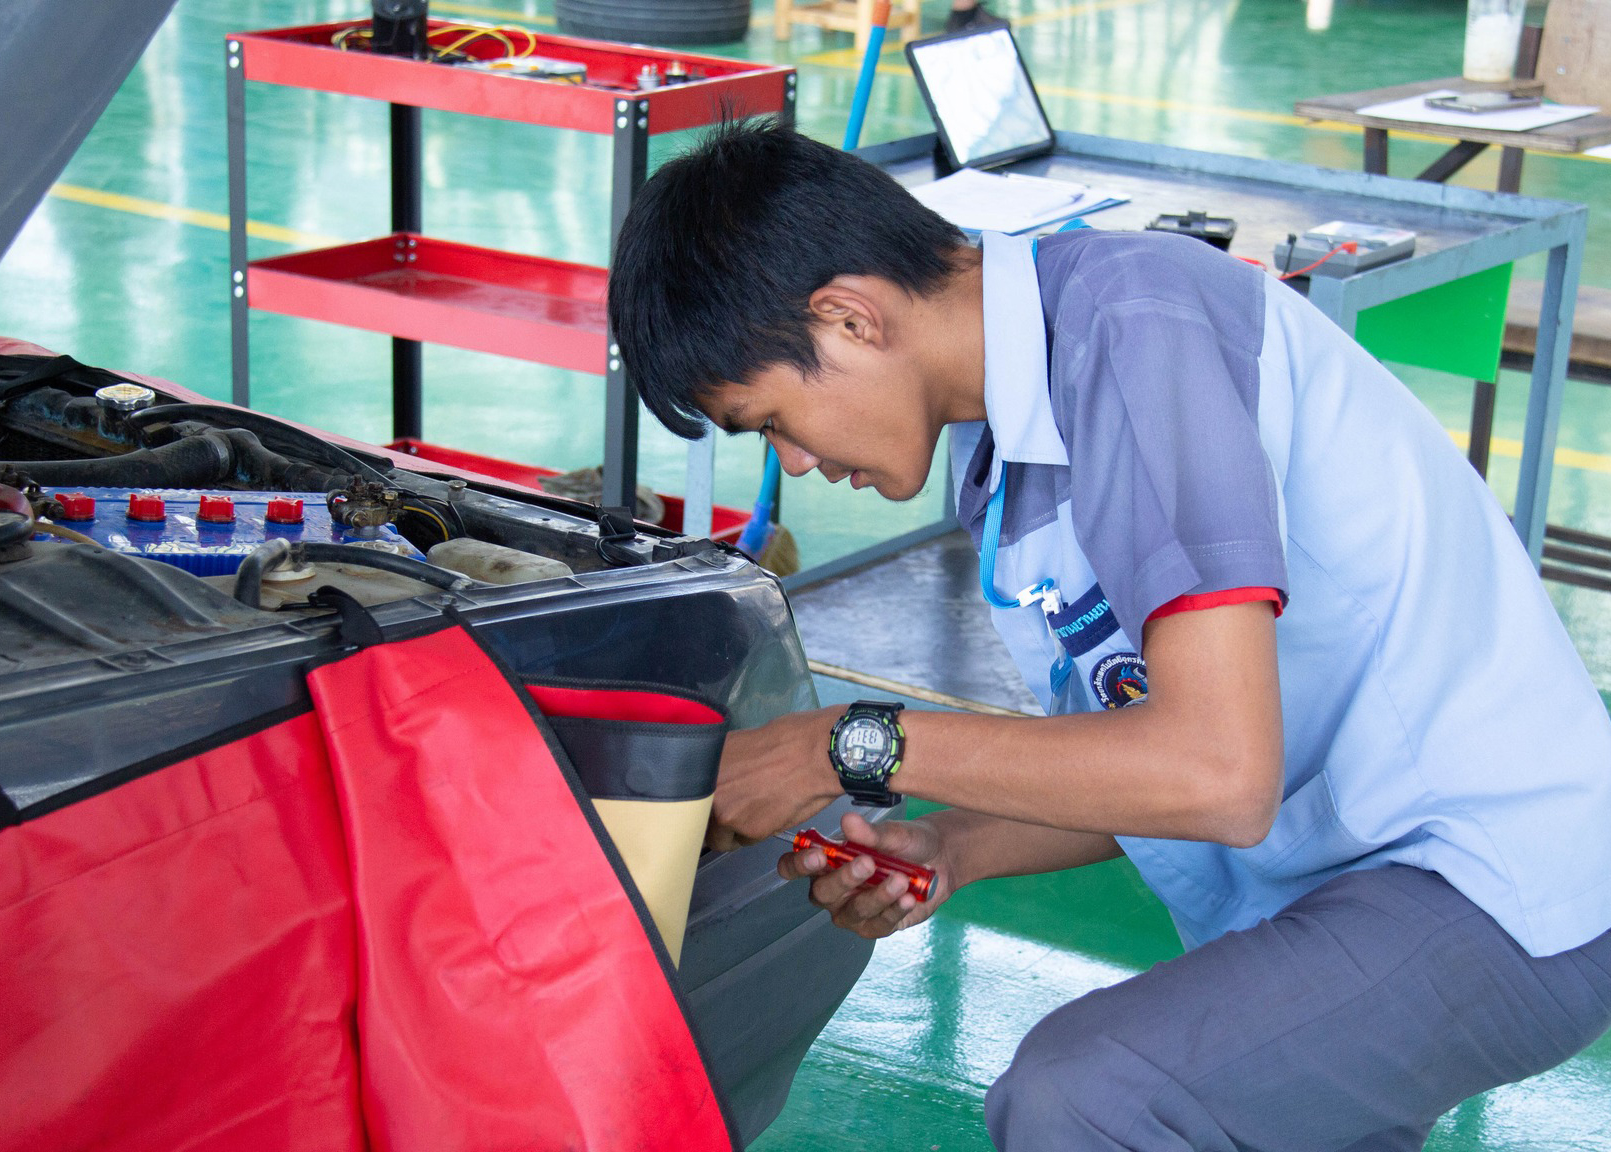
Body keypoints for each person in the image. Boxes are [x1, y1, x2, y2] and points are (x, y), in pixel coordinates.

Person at [606, 119, 1611, 1151]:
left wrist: (839, 744)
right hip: (1344, 880)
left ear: (850, 318)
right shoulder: (1009, 442)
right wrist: (956, 842)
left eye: (771, 418)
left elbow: (1216, 773)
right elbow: (1142, 754)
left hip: (1489, 877)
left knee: (1090, 1094)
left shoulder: (1137, 336)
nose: (798, 463)